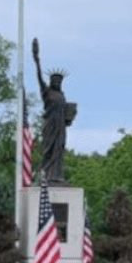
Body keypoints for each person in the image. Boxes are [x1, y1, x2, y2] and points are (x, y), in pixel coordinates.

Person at [32, 38, 76, 183]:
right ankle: (45, 174)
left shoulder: (61, 95)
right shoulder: (47, 92)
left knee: (59, 149)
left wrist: (70, 114)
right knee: (48, 150)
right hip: (50, 125)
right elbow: (39, 78)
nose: (56, 83)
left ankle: (56, 175)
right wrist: (36, 59)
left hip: (60, 127)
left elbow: (66, 113)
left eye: (59, 81)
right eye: (54, 81)